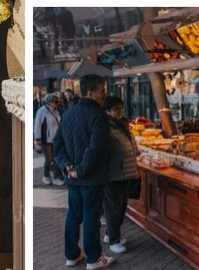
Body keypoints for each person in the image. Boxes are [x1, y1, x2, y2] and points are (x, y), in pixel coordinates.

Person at [52, 74, 113, 270]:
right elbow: (96, 148)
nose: (104, 95)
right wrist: (80, 170)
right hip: (91, 177)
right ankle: (94, 258)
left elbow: (58, 144)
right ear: (90, 92)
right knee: (90, 216)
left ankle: (71, 255)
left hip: (72, 177)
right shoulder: (99, 116)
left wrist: (67, 166)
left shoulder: (68, 113)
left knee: (73, 215)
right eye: (101, 91)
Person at [101, 96, 139, 255]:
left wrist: (134, 149)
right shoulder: (105, 126)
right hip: (113, 173)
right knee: (113, 208)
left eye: (121, 108)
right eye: (116, 109)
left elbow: (129, 140)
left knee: (121, 206)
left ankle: (111, 235)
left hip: (126, 172)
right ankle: (114, 241)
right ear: (108, 111)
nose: (120, 111)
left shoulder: (121, 124)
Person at [33, 93, 64, 187]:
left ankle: (56, 178)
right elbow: (37, 124)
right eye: (56, 102)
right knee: (49, 158)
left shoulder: (56, 111)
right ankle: (46, 176)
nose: (58, 103)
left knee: (56, 159)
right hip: (46, 139)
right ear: (50, 103)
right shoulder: (42, 111)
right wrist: (37, 138)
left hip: (55, 139)